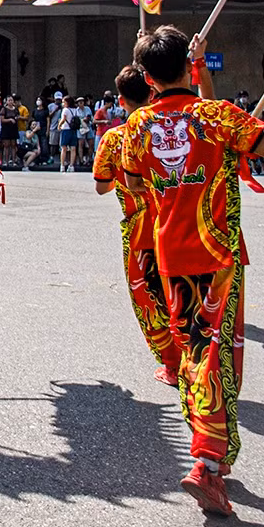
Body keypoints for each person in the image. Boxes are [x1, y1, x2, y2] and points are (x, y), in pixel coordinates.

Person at [117, 26, 264, 517]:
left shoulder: (136, 128)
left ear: (146, 75)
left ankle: (208, 457)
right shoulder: (215, 116)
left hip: (169, 256)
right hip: (216, 253)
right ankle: (207, 464)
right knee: (213, 357)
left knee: (199, 354)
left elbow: (136, 183)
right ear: (187, 64)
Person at [92, 63, 181, 387]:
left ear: (120, 99)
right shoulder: (170, 129)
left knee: (148, 300)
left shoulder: (115, 138)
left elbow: (101, 185)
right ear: (151, 89)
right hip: (176, 221)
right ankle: (194, 357)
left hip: (139, 229)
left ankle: (172, 365)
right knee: (181, 293)